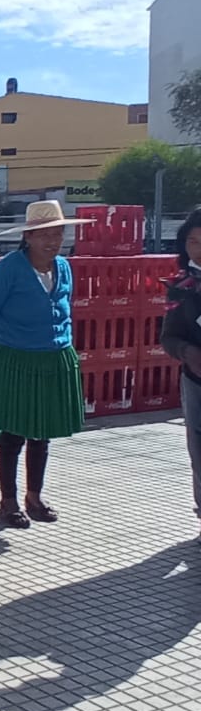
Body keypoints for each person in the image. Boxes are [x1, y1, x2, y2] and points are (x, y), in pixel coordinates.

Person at [0, 200, 90, 528]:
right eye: (44, 235)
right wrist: (11, 347)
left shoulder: (64, 267)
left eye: (58, 233)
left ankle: (35, 497)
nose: (53, 241)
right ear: (29, 237)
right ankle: (8, 501)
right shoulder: (8, 269)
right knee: (13, 433)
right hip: (15, 358)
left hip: (54, 358)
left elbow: (65, 311)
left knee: (43, 432)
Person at [161, 206, 201, 539]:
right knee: (199, 453)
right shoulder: (181, 285)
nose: (198, 249)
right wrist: (187, 353)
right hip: (196, 381)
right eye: (193, 241)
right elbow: (168, 336)